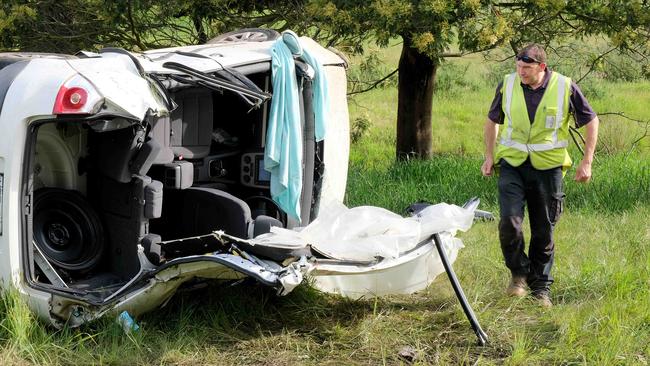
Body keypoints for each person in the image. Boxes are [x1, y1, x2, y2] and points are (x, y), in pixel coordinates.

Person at [481, 44, 599, 307]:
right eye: (518, 67)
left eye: (527, 68)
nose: (521, 72)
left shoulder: (565, 86)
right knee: (509, 223)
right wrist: (489, 156)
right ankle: (518, 274)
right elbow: (492, 120)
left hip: (548, 168)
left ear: (542, 67)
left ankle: (541, 288)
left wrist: (586, 161)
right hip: (512, 164)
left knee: (544, 230)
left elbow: (592, 120)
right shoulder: (507, 84)